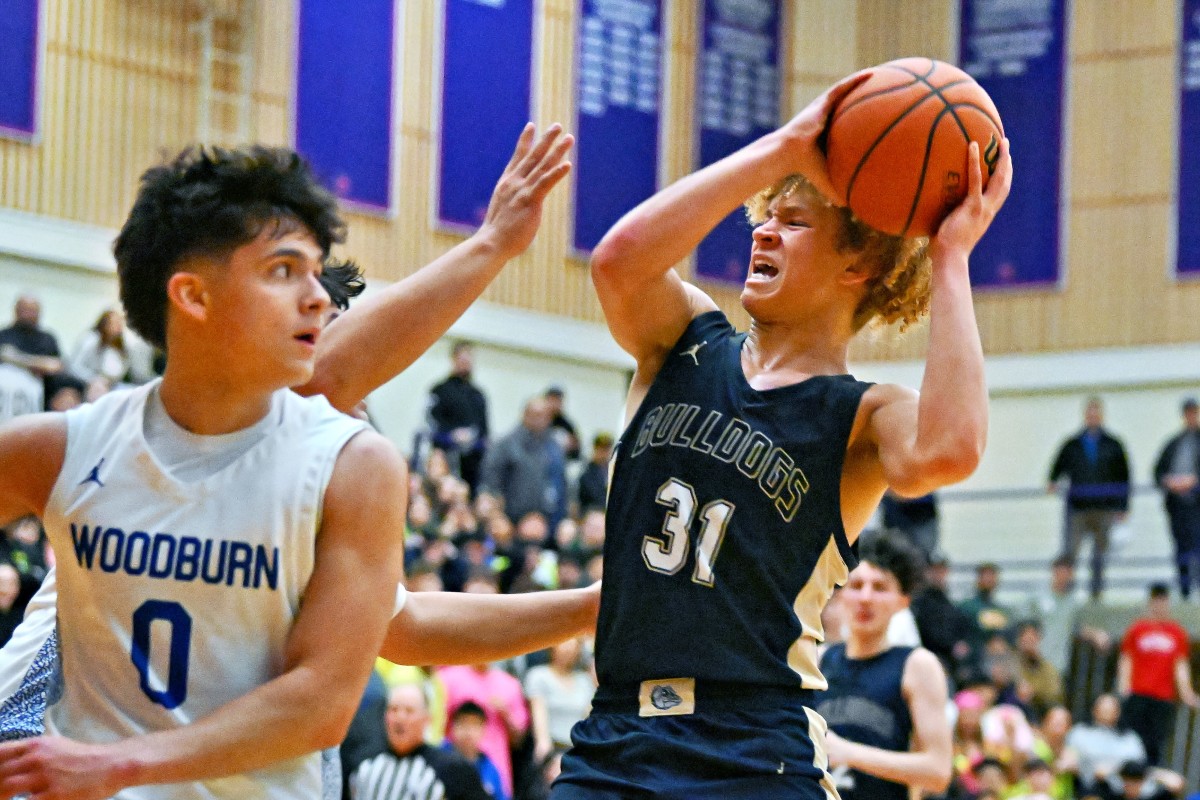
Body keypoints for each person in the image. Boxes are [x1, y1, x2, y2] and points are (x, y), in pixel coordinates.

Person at [0, 124, 605, 798]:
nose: (314, 305)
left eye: (316, 282)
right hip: (40, 740)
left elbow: (397, 629)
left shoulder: (341, 462)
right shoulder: (79, 444)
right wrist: (490, 246)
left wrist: (592, 607)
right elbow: (326, 375)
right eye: (286, 275)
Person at [554, 65, 1012, 798]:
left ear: (858, 263)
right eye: (766, 216)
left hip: (755, 749)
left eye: (794, 222)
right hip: (615, 736)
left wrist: (950, 257)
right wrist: (784, 149)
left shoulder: (862, 412)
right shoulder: (686, 339)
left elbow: (949, 450)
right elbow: (617, 261)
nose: (763, 228)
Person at [815, 531, 952, 799]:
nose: (865, 597)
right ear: (841, 595)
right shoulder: (818, 659)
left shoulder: (916, 665)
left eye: (879, 587)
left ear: (903, 602)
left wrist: (850, 754)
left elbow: (938, 771)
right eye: (856, 586)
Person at [1047, 397, 1131, 599]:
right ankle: (1066, 595)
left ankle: (1096, 595)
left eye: (1096, 413)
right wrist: (1053, 480)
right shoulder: (1072, 444)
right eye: (1089, 413)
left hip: (1105, 508)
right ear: (1085, 415)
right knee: (1071, 553)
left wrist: (1123, 506)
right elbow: (1058, 467)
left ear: (1101, 415)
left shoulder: (1113, 445)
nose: (1093, 417)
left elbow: (1124, 476)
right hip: (1077, 508)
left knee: (1099, 557)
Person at [350, 683, 490, 800]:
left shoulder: (451, 768)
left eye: (409, 711)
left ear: (427, 719)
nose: (400, 717)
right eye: (393, 709)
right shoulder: (363, 763)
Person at [1117, 583, 1198, 766]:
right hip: (1138, 693)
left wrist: (1186, 693)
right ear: (1150, 603)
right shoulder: (1137, 629)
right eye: (1156, 601)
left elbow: (1180, 665)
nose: (1160, 605)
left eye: (1163, 601)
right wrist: (1124, 686)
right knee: (1132, 739)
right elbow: (1126, 659)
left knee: (1155, 743)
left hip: (1162, 696)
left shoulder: (1177, 633)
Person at [479, 397, 568, 530]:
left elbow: (562, 482)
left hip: (547, 519)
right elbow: (491, 482)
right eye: (537, 415)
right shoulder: (505, 445)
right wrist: (498, 515)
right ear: (525, 415)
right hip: (510, 518)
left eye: (546, 416)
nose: (541, 420)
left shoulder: (554, 448)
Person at [1152, 398, 1200, 599]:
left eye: (1193, 412)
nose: (1190, 417)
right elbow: (1158, 471)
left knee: (1197, 547)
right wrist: (1169, 482)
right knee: (1181, 548)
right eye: (1187, 413)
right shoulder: (1173, 443)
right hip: (1178, 507)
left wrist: (1194, 481)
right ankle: (1185, 590)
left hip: (1197, 505)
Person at [427, 342, 490, 493]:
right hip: (444, 455)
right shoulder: (439, 390)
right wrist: (451, 435)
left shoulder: (478, 395)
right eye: (462, 359)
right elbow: (431, 421)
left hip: (472, 460)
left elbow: (484, 428)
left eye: (468, 359)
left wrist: (472, 436)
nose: (465, 363)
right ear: (454, 359)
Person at [524, 637, 596, 765]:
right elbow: (539, 714)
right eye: (564, 644)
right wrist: (544, 748)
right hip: (552, 749)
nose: (568, 649)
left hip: (578, 749)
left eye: (574, 645)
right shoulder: (538, 675)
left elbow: (588, 718)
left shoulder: (584, 681)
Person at [1066, 693, 1147, 792]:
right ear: (1094, 710)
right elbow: (1068, 761)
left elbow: (1138, 766)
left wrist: (1114, 772)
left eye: (1111, 709)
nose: (1107, 713)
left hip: (1123, 789)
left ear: (1118, 712)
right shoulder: (1079, 733)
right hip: (1087, 785)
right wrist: (1091, 771)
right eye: (1104, 709)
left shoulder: (1130, 738)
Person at [444, 700, 509, 800]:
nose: (468, 732)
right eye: (463, 724)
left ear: (483, 729)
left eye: (474, 725)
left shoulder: (490, 769)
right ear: (453, 726)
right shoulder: (438, 758)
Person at [575, 432, 613, 514]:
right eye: (601, 449)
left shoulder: (612, 471)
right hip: (592, 514)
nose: (604, 453)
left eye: (606, 449)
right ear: (595, 449)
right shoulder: (587, 472)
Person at [544, 386, 581, 462]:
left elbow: (576, 454)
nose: (554, 404)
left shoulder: (567, 426)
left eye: (557, 400)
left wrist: (572, 447)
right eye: (551, 399)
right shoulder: (537, 421)